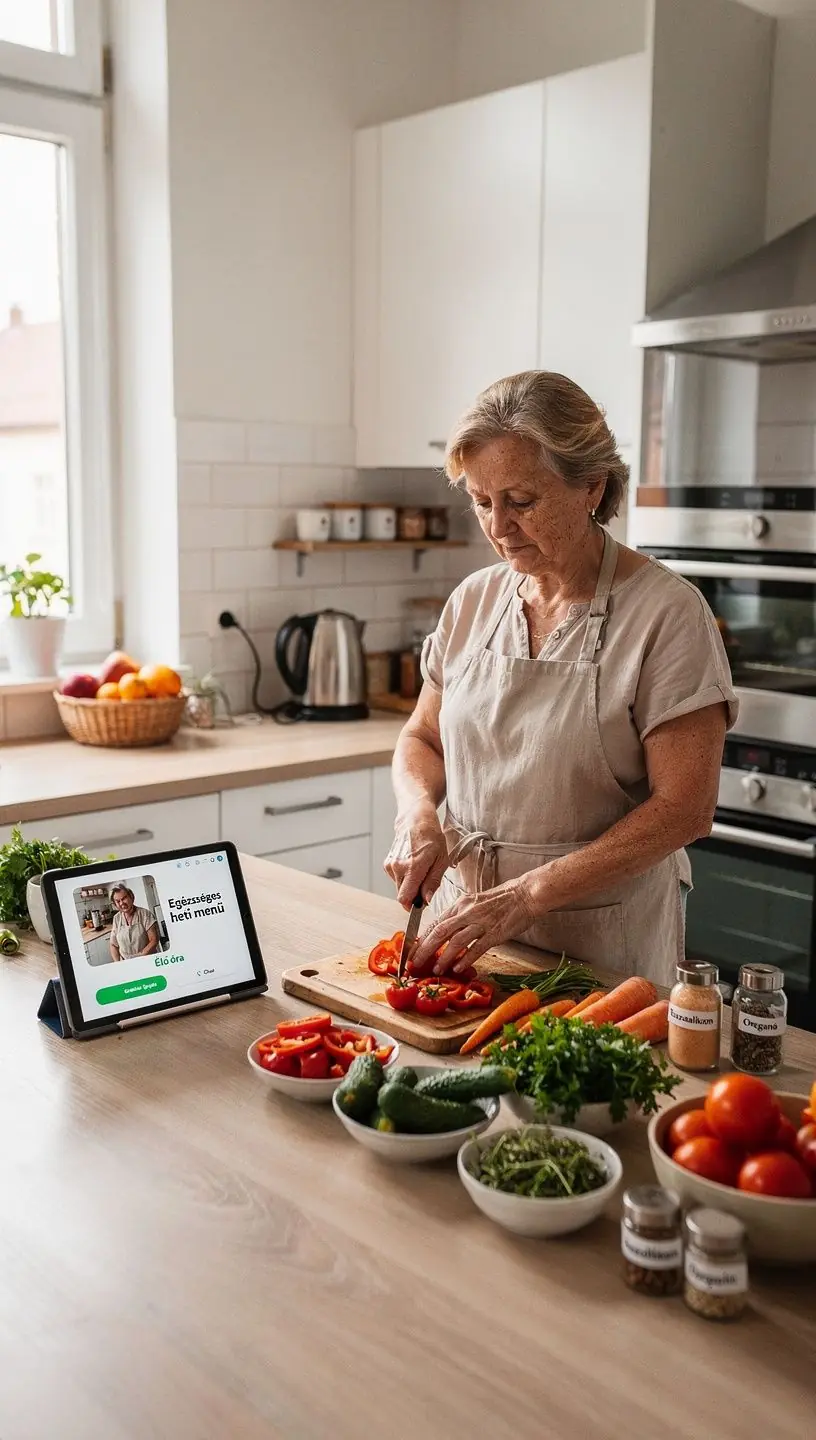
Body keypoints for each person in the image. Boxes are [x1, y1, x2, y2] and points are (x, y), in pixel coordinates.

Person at [386, 370, 737, 985]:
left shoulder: (667, 614)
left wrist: (527, 894)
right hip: (465, 931)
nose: (498, 526)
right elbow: (423, 738)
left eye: (522, 502)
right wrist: (417, 812)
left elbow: (685, 809)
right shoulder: (472, 601)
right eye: (482, 502)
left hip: (599, 947)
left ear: (591, 487)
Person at [109, 884, 160, 962]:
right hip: (126, 963)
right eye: (118, 901)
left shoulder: (145, 914)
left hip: (146, 960)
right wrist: (118, 963)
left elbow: (154, 940)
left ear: (131, 897)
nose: (122, 903)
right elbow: (113, 944)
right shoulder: (116, 918)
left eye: (124, 898)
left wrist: (138, 957)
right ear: (115, 904)